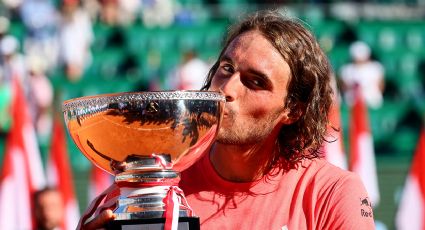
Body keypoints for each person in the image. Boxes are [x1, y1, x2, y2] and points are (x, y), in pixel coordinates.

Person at [79, 10, 375, 229]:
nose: (228, 90)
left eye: (256, 82)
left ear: (293, 110)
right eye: (226, 68)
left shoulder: (331, 193)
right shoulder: (151, 189)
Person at [339, 41, 385, 109]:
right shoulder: (346, 70)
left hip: (373, 103)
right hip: (352, 104)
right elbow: (343, 87)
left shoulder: (376, 68)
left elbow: (381, 85)